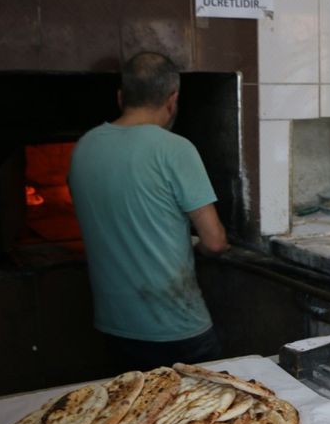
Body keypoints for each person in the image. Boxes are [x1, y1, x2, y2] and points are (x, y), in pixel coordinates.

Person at [69, 51, 229, 372]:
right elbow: (215, 242)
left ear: (120, 97)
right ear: (172, 99)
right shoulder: (175, 149)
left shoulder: (84, 147)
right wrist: (195, 243)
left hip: (115, 326)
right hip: (177, 328)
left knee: (137, 404)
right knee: (209, 403)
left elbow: (126, 219)